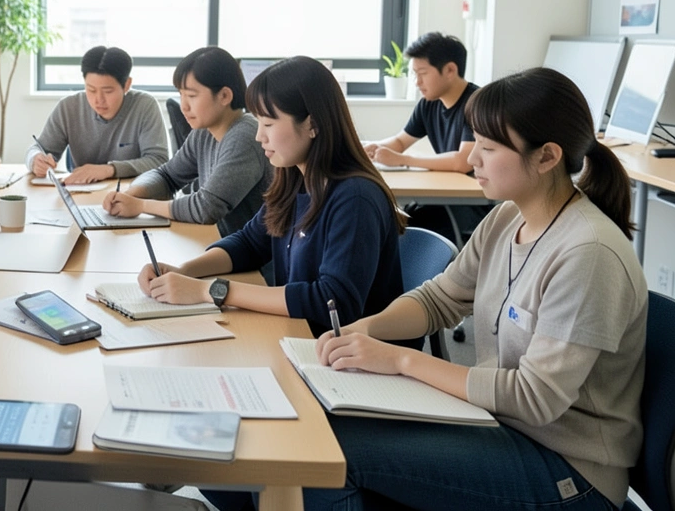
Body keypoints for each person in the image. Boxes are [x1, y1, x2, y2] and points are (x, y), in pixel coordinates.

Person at [306, 67, 645, 511]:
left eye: (487, 147)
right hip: (498, 427)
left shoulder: (588, 253)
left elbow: (534, 398)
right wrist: (364, 330)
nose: (472, 160)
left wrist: (402, 359)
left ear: (546, 157)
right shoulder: (508, 218)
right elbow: (438, 299)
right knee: (327, 427)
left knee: (332, 455)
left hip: (570, 473)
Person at [136, 56, 409, 337]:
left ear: (312, 124)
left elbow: (332, 301)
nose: (259, 137)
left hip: (352, 358)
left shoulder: (355, 198)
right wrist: (185, 271)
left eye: (268, 124)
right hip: (302, 338)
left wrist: (211, 290)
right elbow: (250, 244)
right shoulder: (295, 179)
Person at [104, 47, 271, 236]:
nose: (184, 106)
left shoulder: (245, 136)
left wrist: (141, 205)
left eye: (191, 96)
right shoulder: (204, 132)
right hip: (219, 244)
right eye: (181, 94)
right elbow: (167, 175)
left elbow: (207, 208)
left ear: (224, 95)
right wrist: (131, 194)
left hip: (252, 261)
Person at [363, 31, 492, 240]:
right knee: (390, 217)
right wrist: (369, 148)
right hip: (445, 199)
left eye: (422, 73)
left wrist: (402, 160)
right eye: (414, 74)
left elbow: (463, 161)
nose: (417, 82)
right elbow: (400, 141)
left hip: (471, 206)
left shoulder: (477, 103)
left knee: (400, 225)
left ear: (450, 70)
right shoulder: (429, 104)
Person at [25, 45, 169, 185]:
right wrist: (35, 160)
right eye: (91, 90)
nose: (98, 100)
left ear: (127, 85)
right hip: (80, 196)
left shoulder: (145, 106)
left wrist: (109, 170)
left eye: (107, 91)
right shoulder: (69, 107)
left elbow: (159, 160)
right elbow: (38, 148)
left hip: (132, 196)